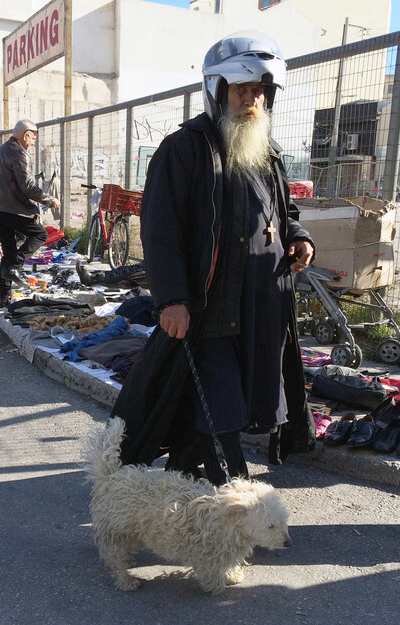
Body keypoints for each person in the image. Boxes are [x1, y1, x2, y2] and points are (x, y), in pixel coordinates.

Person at [110, 31, 316, 486]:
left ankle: (184, 482)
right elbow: (161, 232)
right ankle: (234, 500)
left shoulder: (267, 153)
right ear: (217, 90)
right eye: (243, 90)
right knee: (219, 401)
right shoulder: (183, 150)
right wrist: (172, 300)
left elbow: (283, 211)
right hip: (211, 308)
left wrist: (299, 237)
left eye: (261, 92)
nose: (252, 101)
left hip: (262, 308)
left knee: (236, 401)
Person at [0, 119, 60, 308]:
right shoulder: (19, 153)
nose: (32, 143)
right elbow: (28, 187)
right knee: (40, 234)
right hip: (8, 208)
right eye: (32, 139)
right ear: (26, 135)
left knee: (9, 251)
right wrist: (50, 200)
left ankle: (4, 299)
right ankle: (14, 268)